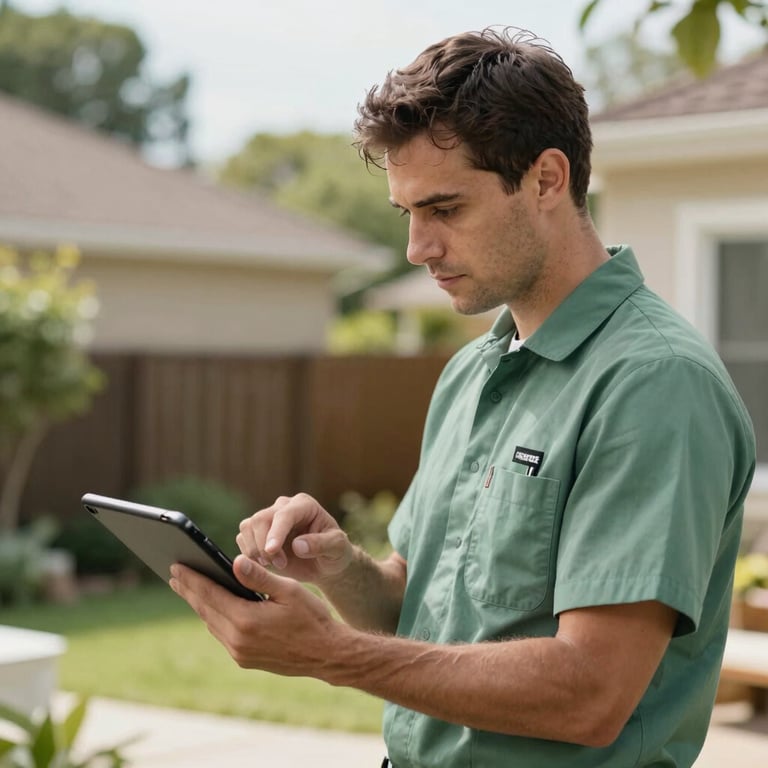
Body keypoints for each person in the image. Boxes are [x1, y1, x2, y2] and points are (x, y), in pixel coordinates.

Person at [170, 27, 756, 767]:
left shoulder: (654, 383)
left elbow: (592, 693)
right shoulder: (471, 373)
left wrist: (329, 655)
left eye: (444, 209)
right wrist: (341, 568)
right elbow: (416, 608)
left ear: (547, 179)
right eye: (407, 213)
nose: (417, 248)